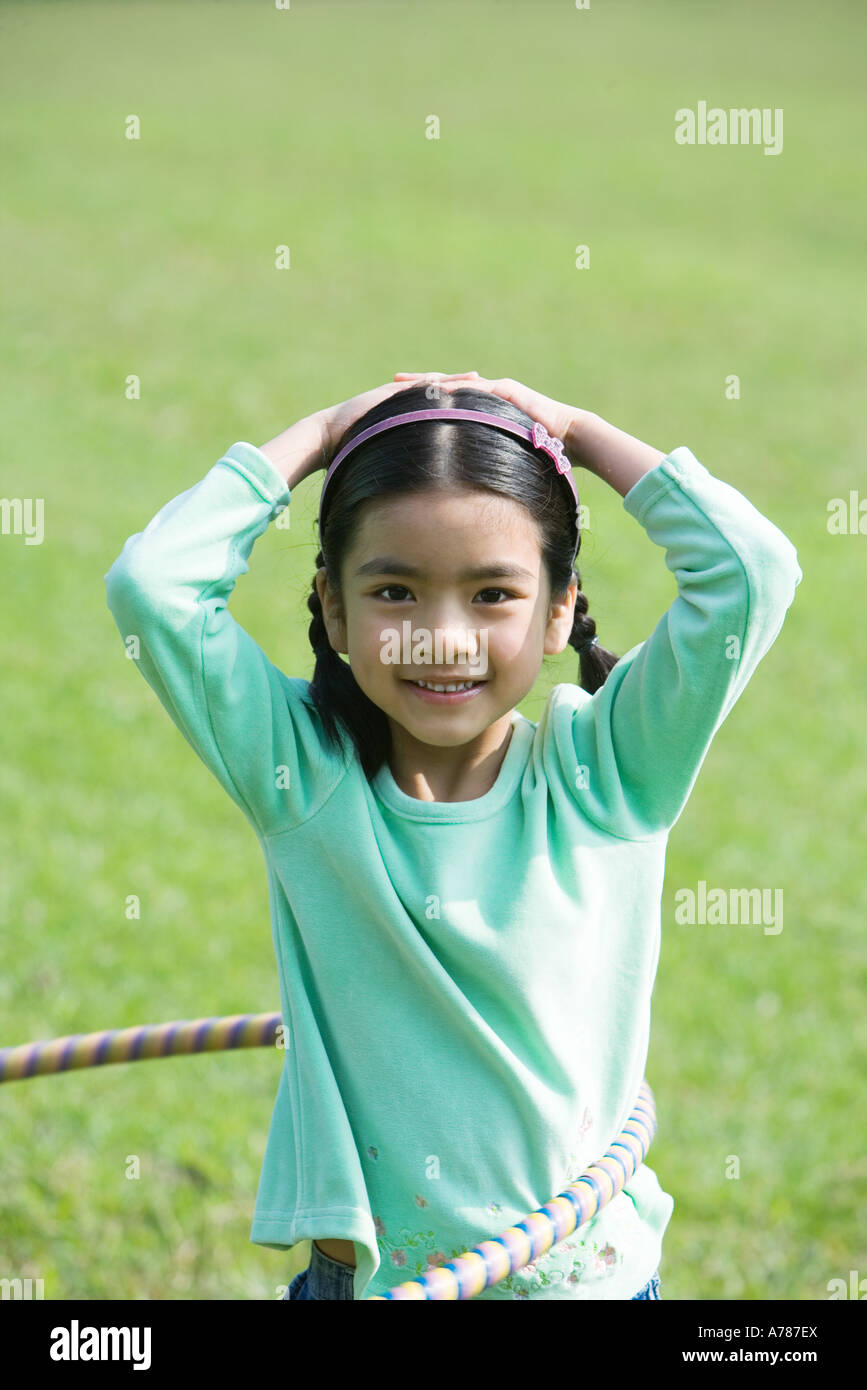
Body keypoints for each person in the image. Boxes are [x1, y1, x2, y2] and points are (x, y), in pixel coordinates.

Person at [104, 370, 802, 1300]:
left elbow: (751, 570)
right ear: (333, 608)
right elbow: (154, 587)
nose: (440, 637)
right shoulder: (304, 781)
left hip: (583, 1285)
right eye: (394, 592)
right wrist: (317, 431)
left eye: (492, 595)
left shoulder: (608, 776)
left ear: (559, 609)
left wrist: (579, 431)